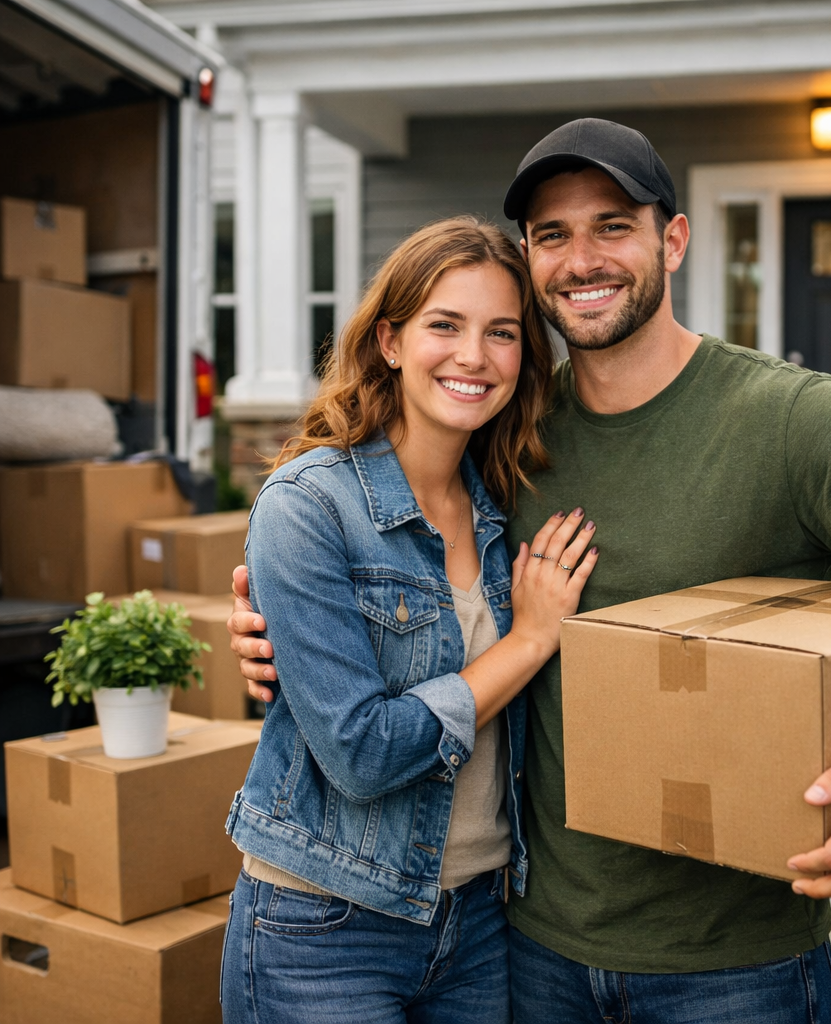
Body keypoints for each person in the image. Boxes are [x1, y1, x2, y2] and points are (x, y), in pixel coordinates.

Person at [229, 120, 831, 1022]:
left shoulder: (790, 419)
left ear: (672, 239)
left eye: (612, 224)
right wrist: (275, 637)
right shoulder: (507, 436)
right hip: (528, 949)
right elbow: (393, 586)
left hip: (735, 968)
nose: (581, 259)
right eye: (553, 235)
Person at [219, 216, 599, 1024]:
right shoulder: (309, 506)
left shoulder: (506, 507)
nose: (474, 356)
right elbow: (359, 751)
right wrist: (530, 639)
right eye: (445, 325)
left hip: (483, 919)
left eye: (502, 333)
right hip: (326, 925)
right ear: (389, 340)